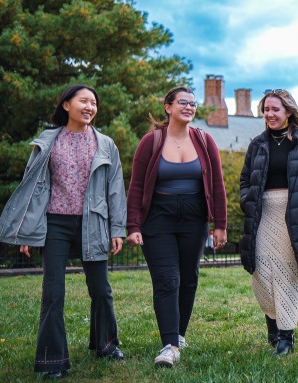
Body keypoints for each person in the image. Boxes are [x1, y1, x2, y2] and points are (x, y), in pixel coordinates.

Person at [0, 84, 127, 378]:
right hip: (56, 224)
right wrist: (27, 232)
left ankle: (106, 344)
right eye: (83, 101)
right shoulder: (48, 142)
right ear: (66, 105)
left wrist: (117, 228)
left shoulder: (106, 144)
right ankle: (52, 360)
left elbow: (115, 190)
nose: (90, 107)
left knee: (101, 290)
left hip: (93, 222)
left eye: (94, 102)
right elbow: (33, 189)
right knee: (53, 294)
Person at [126, 86, 227, 367]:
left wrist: (220, 224)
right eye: (182, 102)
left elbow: (217, 186)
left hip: (194, 221)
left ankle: (179, 334)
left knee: (188, 278)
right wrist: (133, 224)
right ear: (168, 107)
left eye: (193, 103)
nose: (189, 107)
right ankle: (169, 345)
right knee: (167, 280)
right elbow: (135, 187)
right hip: (158, 220)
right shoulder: (151, 141)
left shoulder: (205, 141)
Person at [239, 88, 298, 356]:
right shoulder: (257, 144)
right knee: (263, 274)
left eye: (274, 109)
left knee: (288, 274)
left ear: (288, 111)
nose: (269, 114)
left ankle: (286, 337)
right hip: (263, 217)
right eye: (266, 110)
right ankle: (273, 325)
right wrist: (248, 201)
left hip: (293, 218)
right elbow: (245, 180)